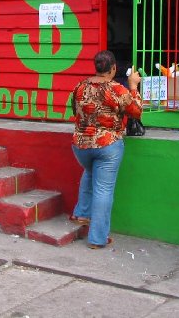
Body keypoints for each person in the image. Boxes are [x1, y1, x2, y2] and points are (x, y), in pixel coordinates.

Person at [70, 50, 142, 249]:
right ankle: (97, 239)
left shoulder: (79, 86)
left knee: (90, 170)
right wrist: (133, 86)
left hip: (80, 145)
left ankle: (82, 213)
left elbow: (75, 111)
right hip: (106, 145)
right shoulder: (117, 89)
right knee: (104, 190)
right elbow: (136, 112)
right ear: (113, 68)